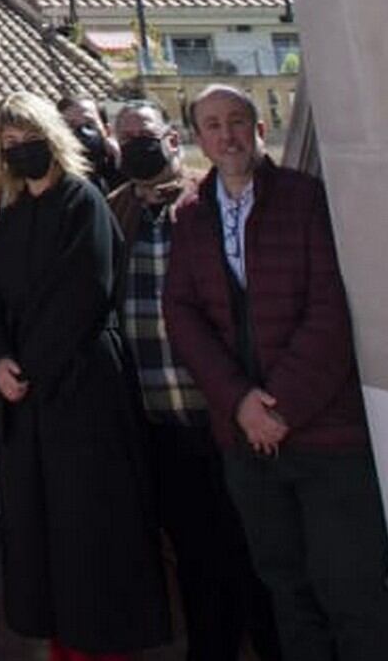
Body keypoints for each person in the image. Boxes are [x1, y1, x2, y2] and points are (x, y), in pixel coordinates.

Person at [165, 85, 388, 661]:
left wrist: (280, 408)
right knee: (288, 591)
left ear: (258, 128)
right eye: (213, 125)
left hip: (326, 438)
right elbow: (183, 314)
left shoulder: (306, 200)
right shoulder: (191, 216)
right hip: (247, 444)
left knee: (350, 589)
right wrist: (240, 403)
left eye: (237, 121)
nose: (227, 135)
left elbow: (330, 308)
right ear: (199, 138)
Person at [0, 90, 168, 659]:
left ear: (52, 138)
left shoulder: (84, 202)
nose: (20, 151)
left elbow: (85, 291)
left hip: (82, 391)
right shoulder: (8, 220)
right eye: (8, 144)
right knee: (43, 538)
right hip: (24, 401)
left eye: (29, 139)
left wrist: (27, 366)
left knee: (93, 534)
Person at [107, 99, 277, 661]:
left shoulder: (207, 198)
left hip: (225, 413)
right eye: (125, 137)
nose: (136, 144)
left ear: (173, 140)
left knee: (256, 548)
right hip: (160, 420)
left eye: (146, 134)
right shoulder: (112, 212)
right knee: (194, 555)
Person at [58, 94, 123, 193]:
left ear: (107, 130)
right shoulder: (58, 179)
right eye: (71, 125)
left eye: (89, 123)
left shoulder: (125, 168)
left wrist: (120, 161)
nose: (82, 131)